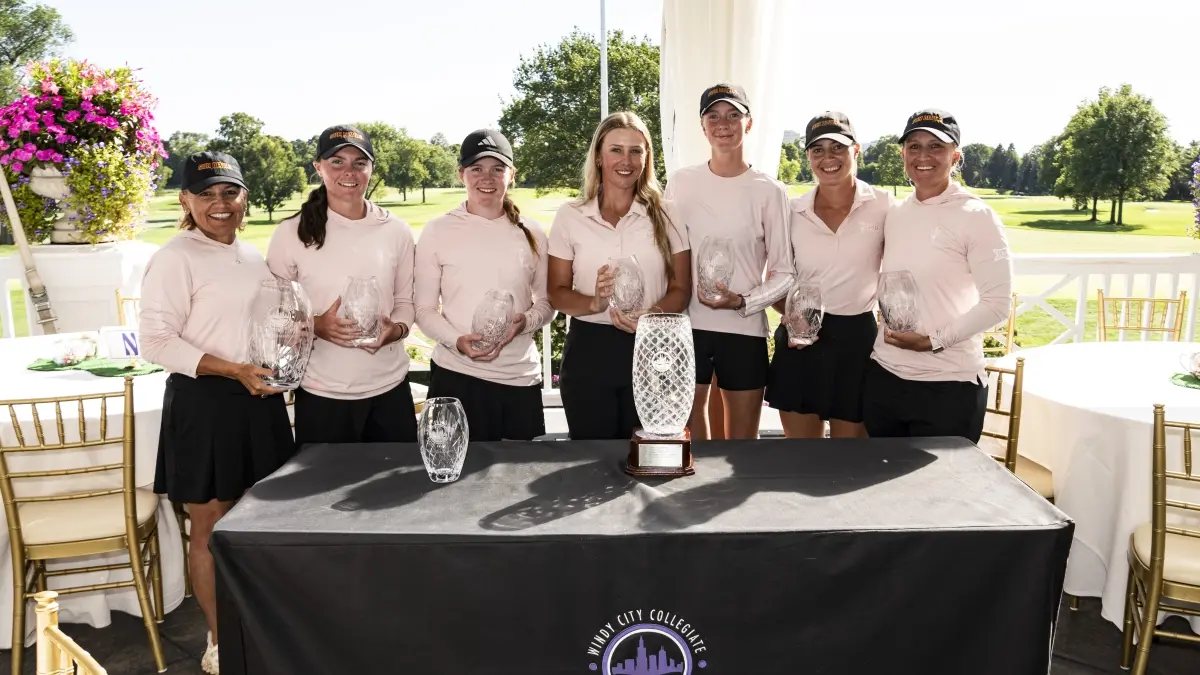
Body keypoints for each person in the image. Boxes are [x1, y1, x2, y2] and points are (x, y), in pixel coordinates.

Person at [140, 152, 296, 674]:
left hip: (257, 400)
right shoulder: (174, 257)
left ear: (244, 197)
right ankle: (219, 639)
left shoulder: (252, 256)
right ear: (185, 200)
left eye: (229, 192)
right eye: (205, 194)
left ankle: (260, 624)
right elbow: (156, 342)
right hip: (204, 401)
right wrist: (234, 370)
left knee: (258, 522)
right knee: (209, 527)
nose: (219, 204)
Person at [863, 109, 1013, 442]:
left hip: (948, 386)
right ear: (902, 154)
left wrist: (932, 341)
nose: (923, 156)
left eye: (936, 146)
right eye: (913, 146)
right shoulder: (896, 212)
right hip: (885, 377)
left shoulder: (977, 216)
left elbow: (997, 304)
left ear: (955, 156)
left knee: (941, 496)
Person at [266, 124, 418, 446]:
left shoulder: (396, 231)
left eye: (359, 162)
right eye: (337, 161)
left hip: (390, 391)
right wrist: (315, 325)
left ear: (371, 169)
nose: (349, 171)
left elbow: (406, 302)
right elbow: (274, 316)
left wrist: (397, 330)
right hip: (323, 396)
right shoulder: (289, 233)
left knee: (393, 491)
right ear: (318, 167)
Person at [547, 111, 691, 440]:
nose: (625, 160)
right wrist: (594, 301)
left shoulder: (668, 213)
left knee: (648, 454)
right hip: (588, 351)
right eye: (615, 150)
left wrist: (650, 316)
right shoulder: (571, 215)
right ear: (598, 156)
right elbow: (556, 292)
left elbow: (681, 289)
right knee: (591, 462)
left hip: (653, 347)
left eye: (635, 151)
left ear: (646, 158)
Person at [664, 83, 794, 440]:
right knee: (690, 441)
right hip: (687, 328)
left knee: (742, 447)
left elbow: (785, 272)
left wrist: (744, 301)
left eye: (734, 115)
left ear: (748, 124)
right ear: (702, 126)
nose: (724, 123)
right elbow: (664, 254)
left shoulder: (769, 190)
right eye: (714, 115)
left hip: (744, 330)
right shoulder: (680, 183)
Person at [415, 129, 555, 440]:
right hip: (456, 377)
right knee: (453, 480)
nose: (486, 178)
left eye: (497, 169)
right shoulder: (438, 231)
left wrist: (525, 322)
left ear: (512, 175)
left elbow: (547, 303)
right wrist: (457, 340)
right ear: (461, 174)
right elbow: (423, 310)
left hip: (518, 379)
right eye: (476, 169)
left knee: (519, 481)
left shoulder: (532, 232)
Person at [765, 112, 891, 439]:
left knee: (850, 459)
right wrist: (794, 318)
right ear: (807, 156)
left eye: (838, 147)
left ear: (857, 149)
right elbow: (777, 281)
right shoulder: (792, 211)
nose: (828, 157)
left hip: (857, 338)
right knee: (801, 455)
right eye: (817, 149)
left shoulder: (884, 205)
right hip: (801, 341)